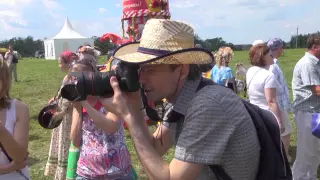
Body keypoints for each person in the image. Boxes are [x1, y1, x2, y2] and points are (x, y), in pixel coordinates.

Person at [100, 19, 260, 179]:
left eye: (150, 68)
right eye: (140, 69)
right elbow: (155, 148)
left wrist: (130, 117)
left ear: (182, 69)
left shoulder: (208, 104)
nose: (141, 78)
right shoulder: (180, 97)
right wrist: (134, 108)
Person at [69, 59, 134, 180]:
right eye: (75, 78)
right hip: (87, 172)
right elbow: (75, 141)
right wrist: (78, 108)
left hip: (118, 171)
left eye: (84, 78)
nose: (80, 82)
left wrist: (85, 105)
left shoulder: (109, 96)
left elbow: (111, 127)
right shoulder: (79, 104)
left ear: (94, 76)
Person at [44, 51, 79, 180]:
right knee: (61, 143)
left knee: (66, 143)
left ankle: (67, 173)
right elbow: (63, 93)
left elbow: (74, 100)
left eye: (60, 63)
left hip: (68, 119)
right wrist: (55, 98)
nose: (59, 66)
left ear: (68, 64)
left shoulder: (74, 79)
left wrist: (62, 113)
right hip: (61, 117)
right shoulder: (67, 77)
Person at [292, 32, 320, 180]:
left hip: (315, 113)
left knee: (316, 150)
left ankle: (311, 177)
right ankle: (298, 177)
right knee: (306, 152)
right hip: (306, 114)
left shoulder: (316, 62)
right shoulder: (307, 64)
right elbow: (317, 90)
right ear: (315, 47)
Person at [0, 59, 30, 179]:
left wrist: (1, 131)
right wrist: (7, 169)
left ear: (5, 80)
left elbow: (19, 156)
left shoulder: (18, 108)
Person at [246, 44, 284, 133]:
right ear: (262, 57)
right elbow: (271, 101)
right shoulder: (268, 76)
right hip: (267, 116)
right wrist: (279, 122)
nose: (273, 57)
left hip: (254, 113)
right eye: (270, 55)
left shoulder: (250, 71)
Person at [267, 38, 293, 162]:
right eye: (282, 47)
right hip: (278, 103)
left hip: (277, 102)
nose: (283, 49)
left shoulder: (272, 63)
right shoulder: (273, 65)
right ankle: (284, 157)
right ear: (277, 48)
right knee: (286, 132)